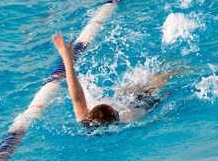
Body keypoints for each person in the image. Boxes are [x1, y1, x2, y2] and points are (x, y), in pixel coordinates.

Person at [53, 34, 182, 126]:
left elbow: (77, 98)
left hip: (126, 100)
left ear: (90, 116)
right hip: (138, 103)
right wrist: (68, 61)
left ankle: (173, 69)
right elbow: (77, 98)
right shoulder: (127, 120)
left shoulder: (86, 121)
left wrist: (67, 62)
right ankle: (178, 67)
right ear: (117, 117)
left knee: (151, 84)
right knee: (156, 83)